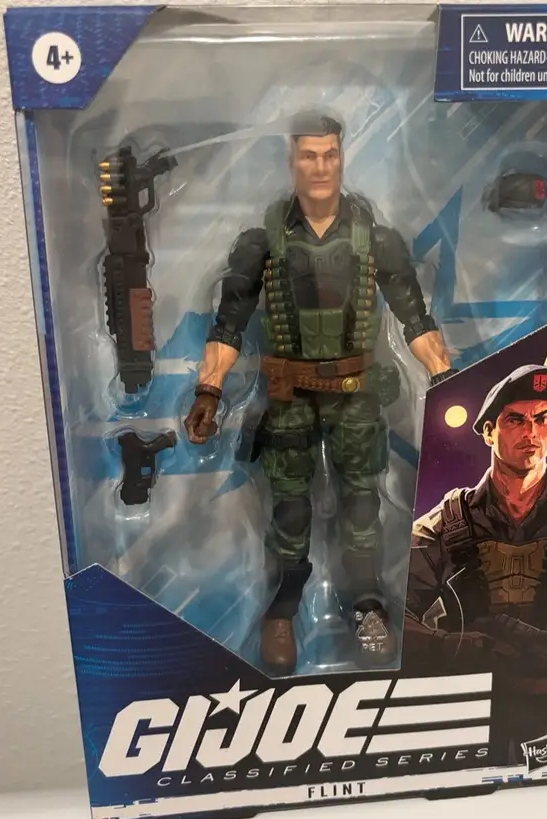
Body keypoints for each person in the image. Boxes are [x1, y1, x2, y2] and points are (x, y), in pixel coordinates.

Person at [184, 113, 454, 675]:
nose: (321, 166)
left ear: (341, 157)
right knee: (288, 508)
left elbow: (415, 318)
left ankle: (368, 605)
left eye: (329, 154)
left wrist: (448, 380)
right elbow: (228, 323)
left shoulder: (376, 239)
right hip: (290, 397)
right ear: (292, 161)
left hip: (357, 396)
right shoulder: (262, 242)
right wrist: (208, 392)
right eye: (309, 155)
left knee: (362, 506)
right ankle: (283, 609)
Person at [407, 364, 547, 759]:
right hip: (471, 709)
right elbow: (384, 612)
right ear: (489, 431)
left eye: (542, 418)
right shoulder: (449, 521)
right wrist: (451, 647)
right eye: (515, 420)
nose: (532, 433)